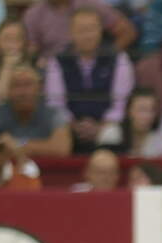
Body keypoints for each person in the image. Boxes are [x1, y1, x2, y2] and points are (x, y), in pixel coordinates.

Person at [45, 8, 135, 153]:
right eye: (81, 30)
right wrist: (74, 125)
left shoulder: (119, 58)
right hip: (70, 124)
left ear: (100, 31)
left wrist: (101, 126)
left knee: (112, 134)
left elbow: (120, 103)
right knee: (57, 131)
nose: (87, 36)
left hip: (107, 124)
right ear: (71, 33)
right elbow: (56, 103)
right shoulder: (57, 61)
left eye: (91, 29)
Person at [0, 63, 73, 156]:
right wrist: (42, 147)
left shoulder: (55, 114)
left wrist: (16, 145)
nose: (23, 92)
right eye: (16, 85)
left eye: (28, 85)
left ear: (39, 89)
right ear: (8, 91)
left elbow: (61, 149)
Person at [24, 0, 136, 60]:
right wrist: (36, 61)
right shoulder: (33, 15)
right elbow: (31, 51)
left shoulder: (90, 4)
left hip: (94, 65)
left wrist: (108, 55)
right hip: (51, 69)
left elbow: (127, 32)